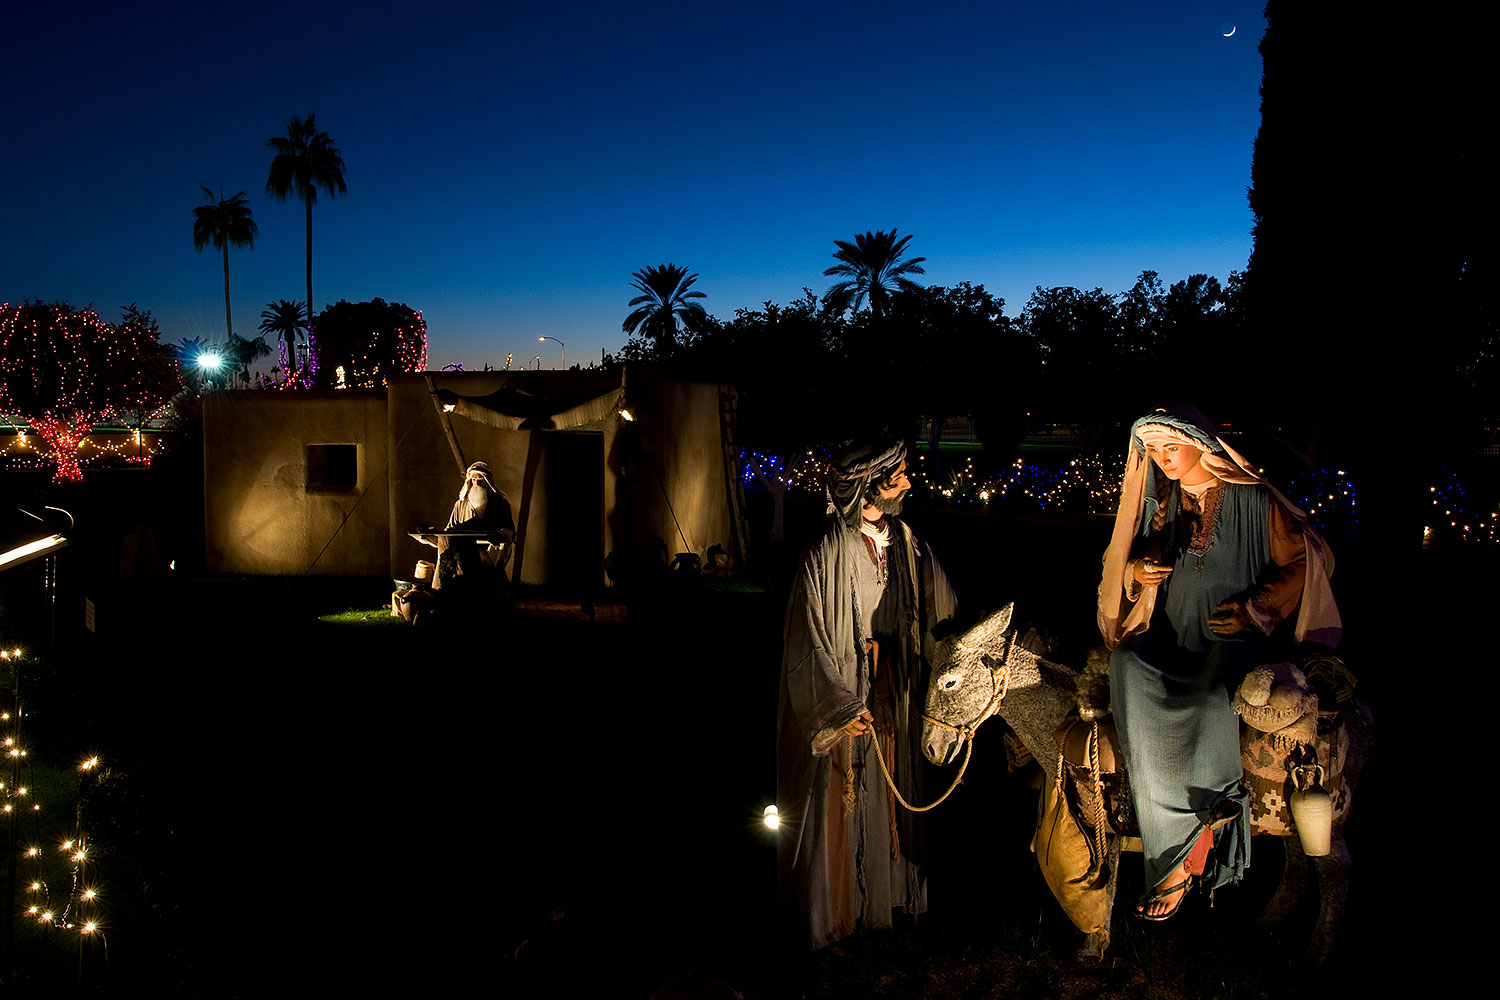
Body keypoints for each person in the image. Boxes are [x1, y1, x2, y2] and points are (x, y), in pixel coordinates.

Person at [1096, 404, 1340, 920]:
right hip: (1177, 638)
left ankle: (1184, 854)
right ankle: (1176, 831)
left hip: (1232, 645)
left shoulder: (1254, 499)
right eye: (1154, 452)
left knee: (1211, 700)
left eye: (1170, 448)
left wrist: (1256, 607)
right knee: (1125, 666)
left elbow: (1306, 559)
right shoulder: (1170, 502)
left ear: (1203, 445)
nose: (1162, 461)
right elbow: (1141, 553)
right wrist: (1140, 568)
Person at [777, 435, 957, 951]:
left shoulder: (909, 543)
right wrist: (837, 701)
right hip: (849, 692)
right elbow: (805, 634)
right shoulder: (825, 552)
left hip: (894, 689)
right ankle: (837, 912)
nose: (905, 480)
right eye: (894, 474)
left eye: (902, 471)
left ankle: (893, 895)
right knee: (842, 791)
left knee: (895, 782)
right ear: (864, 485)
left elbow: (943, 611)